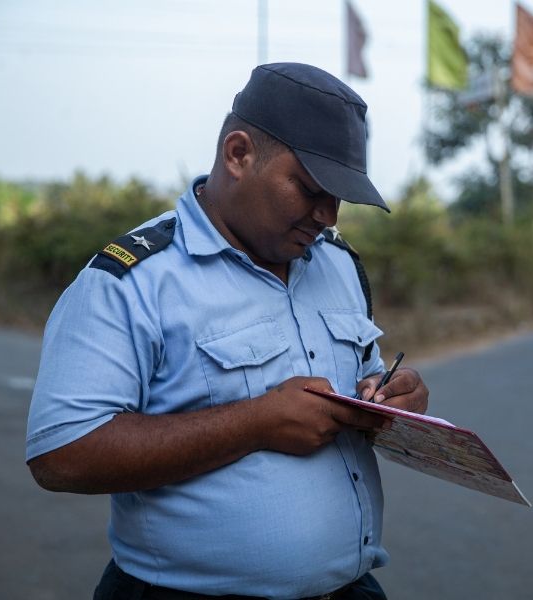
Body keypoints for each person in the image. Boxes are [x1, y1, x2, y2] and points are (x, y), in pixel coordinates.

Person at [25, 62, 429, 600]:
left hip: (351, 587)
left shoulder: (338, 266)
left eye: (340, 198)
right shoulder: (136, 281)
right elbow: (62, 454)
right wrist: (255, 423)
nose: (327, 216)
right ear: (238, 155)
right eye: (310, 189)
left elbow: (369, 379)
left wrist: (393, 403)